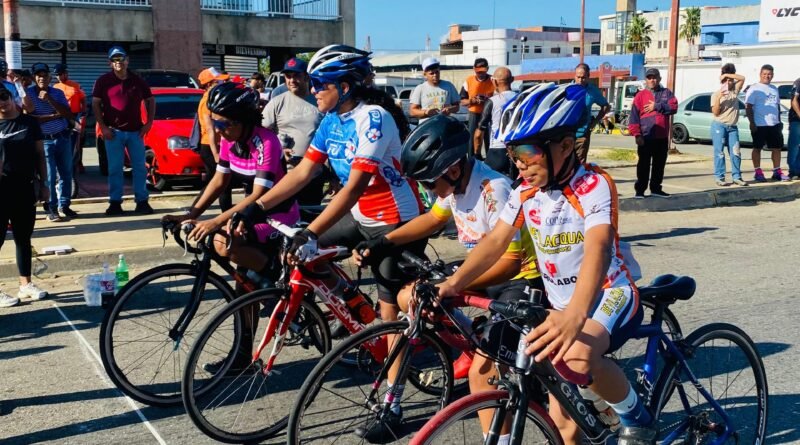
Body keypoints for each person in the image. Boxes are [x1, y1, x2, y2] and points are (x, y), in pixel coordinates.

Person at [437, 82, 653, 445]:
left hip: (608, 295)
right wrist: (454, 283)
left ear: (566, 146)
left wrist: (576, 315)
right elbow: (495, 241)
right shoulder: (524, 191)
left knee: (580, 357)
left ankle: (636, 417)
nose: (518, 163)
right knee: (564, 425)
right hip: (561, 306)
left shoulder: (594, 184)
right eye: (512, 152)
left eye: (526, 151)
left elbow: (599, 249)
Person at [354, 114, 542, 441]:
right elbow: (432, 219)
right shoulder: (454, 183)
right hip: (486, 270)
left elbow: (511, 263)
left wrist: (455, 284)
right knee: (408, 298)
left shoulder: (492, 189)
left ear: (453, 170)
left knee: (482, 374)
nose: (429, 191)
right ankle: (471, 345)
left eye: (428, 183)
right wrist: (382, 241)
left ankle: (494, 406)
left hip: (520, 279)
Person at [241, 44, 423, 348]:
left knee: (390, 316)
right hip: (361, 215)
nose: (314, 91)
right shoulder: (331, 120)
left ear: (345, 86)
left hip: (395, 220)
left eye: (319, 84)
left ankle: (393, 391)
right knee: (303, 257)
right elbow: (302, 173)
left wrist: (311, 231)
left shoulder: (373, 119)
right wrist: (254, 208)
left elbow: (353, 188)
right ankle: (352, 301)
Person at [0, 83, 49, 307]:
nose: (2, 102)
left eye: (4, 96)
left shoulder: (29, 122)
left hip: (24, 187)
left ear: (11, 97)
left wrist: (44, 183)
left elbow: (40, 154)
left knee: (23, 238)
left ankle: (25, 284)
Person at [92, 45, 156, 215]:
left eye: (121, 59)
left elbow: (150, 100)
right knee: (114, 169)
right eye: (114, 59)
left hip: (135, 132)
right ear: (110, 63)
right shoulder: (103, 81)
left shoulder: (137, 81)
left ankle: (142, 201)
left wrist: (148, 123)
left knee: (140, 168)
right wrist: (103, 127)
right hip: (113, 133)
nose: (118, 62)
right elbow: (96, 104)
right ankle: (115, 202)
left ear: (127, 60)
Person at [261, 57, 325, 206]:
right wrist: (279, 149)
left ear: (306, 76)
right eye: (288, 76)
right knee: (286, 219)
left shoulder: (320, 100)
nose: (291, 80)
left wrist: (333, 177)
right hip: (285, 174)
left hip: (314, 174)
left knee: (310, 219)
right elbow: (262, 134)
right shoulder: (277, 102)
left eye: (296, 75)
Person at [28, 62, 76, 222]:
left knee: (66, 174)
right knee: (48, 176)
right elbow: (32, 120)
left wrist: (49, 100)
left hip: (62, 137)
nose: (42, 78)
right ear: (34, 78)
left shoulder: (57, 93)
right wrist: (54, 115)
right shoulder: (28, 95)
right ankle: (51, 207)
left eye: (44, 75)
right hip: (44, 141)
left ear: (49, 77)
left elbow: (68, 114)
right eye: (38, 75)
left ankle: (65, 205)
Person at [628, 68, 678, 198]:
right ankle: (640, 191)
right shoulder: (640, 96)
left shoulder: (667, 93)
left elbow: (674, 107)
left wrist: (657, 106)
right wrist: (637, 134)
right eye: (649, 78)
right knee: (643, 165)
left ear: (659, 79)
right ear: (646, 80)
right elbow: (633, 117)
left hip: (661, 136)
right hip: (646, 136)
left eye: (654, 77)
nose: (652, 80)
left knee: (659, 165)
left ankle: (656, 189)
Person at [196, 67, 233, 208]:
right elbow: (210, 130)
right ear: (209, 84)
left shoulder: (212, 98)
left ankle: (193, 211)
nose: (223, 83)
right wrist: (216, 154)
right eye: (219, 81)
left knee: (218, 183)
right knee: (221, 184)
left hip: (214, 145)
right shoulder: (207, 102)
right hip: (211, 146)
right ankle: (225, 216)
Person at [745, 64, 789, 182]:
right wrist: (752, 123)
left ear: (772, 75)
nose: (767, 76)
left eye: (769, 74)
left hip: (774, 124)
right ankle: (758, 172)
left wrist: (779, 121)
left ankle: (777, 172)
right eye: (764, 74)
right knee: (757, 148)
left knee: (777, 148)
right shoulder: (754, 88)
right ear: (760, 74)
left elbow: (777, 105)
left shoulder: (774, 88)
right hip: (760, 124)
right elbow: (748, 107)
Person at [475, 66, 517, 177]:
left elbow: (479, 134)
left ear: (494, 81)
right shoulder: (521, 98)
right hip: (518, 149)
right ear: (512, 79)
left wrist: (477, 154)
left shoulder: (492, 102)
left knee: (488, 185)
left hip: (497, 151)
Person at [711, 63, 747, 187]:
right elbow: (715, 112)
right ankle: (719, 177)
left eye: (730, 80)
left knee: (736, 151)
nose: (728, 82)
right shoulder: (716, 94)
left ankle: (737, 176)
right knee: (719, 152)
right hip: (719, 125)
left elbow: (742, 78)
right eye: (725, 80)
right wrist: (719, 98)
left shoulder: (735, 91)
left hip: (732, 127)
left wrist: (727, 74)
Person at [53, 63, 87, 174]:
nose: (58, 77)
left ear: (66, 73)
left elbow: (83, 99)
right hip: (61, 117)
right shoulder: (55, 87)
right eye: (57, 75)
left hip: (75, 116)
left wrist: (83, 112)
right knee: (62, 140)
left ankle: (77, 163)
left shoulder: (76, 85)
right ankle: (63, 165)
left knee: (77, 141)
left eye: (60, 74)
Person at [573, 63, 610, 164]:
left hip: (582, 134)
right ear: (574, 76)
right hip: (565, 134)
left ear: (588, 77)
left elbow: (606, 106)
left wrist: (594, 122)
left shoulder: (592, 91)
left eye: (583, 77)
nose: (580, 80)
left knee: (579, 165)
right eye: (578, 77)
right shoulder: (567, 89)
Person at [461, 58, 495, 159]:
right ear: (474, 69)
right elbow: (462, 101)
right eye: (478, 72)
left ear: (487, 69)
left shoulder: (493, 80)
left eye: (483, 71)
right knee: (472, 138)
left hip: (489, 114)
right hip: (474, 114)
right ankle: (473, 159)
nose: (480, 74)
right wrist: (473, 101)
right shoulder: (469, 81)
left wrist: (487, 101)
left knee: (489, 139)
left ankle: (490, 160)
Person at [409, 57, 460, 124]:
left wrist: (449, 109)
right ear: (425, 74)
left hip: (444, 125)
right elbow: (412, 111)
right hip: (427, 127)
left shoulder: (448, 86)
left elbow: (457, 106)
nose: (435, 75)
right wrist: (426, 112)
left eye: (437, 72)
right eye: (431, 73)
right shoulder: (420, 88)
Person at [789, 76, 800, 180]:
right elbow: (794, 101)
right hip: (797, 120)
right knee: (795, 147)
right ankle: (793, 172)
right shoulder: (798, 82)